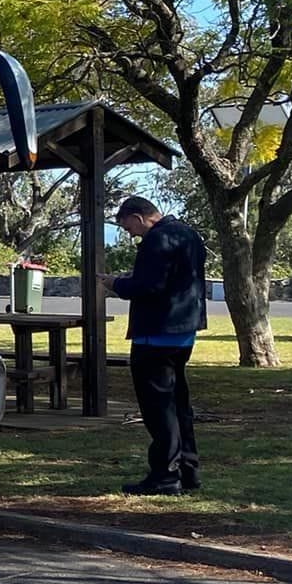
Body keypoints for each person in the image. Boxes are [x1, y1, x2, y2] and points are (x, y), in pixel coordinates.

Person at [109, 196, 209, 495]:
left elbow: (149, 286)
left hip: (155, 333)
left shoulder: (157, 239)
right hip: (184, 330)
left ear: (139, 218)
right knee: (179, 403)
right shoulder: (189, 234)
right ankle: (188, 470)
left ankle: (165, 476)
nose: (129, 234)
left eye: (128, 227)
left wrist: (114, 283)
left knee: (158, 408)